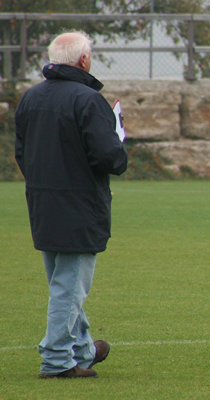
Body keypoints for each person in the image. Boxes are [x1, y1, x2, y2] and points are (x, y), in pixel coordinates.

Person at [15, 31, 128, 378]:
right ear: (83, 59)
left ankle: (82, 348)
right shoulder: (89, 100)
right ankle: (57, 359)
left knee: (62, 281)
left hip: (42, 201)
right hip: (79, 203)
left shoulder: (31, 98)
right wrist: (119, 144)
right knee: (70, 286)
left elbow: (22, 152)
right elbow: (108, 156)